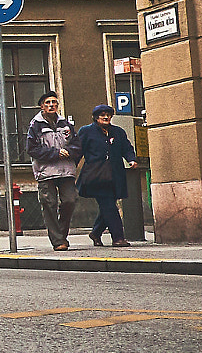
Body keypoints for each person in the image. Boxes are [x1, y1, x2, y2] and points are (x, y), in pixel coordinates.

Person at [77, 104, 139, 247]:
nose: (105, 117)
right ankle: (118, 238)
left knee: (108, 205)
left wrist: (131, 159)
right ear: (95, 117)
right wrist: (69, 169)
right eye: (102, 115)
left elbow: (126, 147)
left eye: (108, 115)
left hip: (115, 176)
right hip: (96, 176)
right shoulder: (86, 131)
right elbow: (78, 150)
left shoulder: (118, 132)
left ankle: (96, 232)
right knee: (109, 205)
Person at [25, 90, 80, 251]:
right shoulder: (35, 125)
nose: (51, 105)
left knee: (70, 200)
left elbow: (77, 144)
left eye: (54, 103)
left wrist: (70, 153)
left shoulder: (66, 124)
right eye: (48, 103)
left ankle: (61, 234)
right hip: (46, 171)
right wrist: (55, 154)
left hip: (66, 170)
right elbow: (32, 149)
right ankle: (58, 241)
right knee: (49, 204)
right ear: (42, 106)